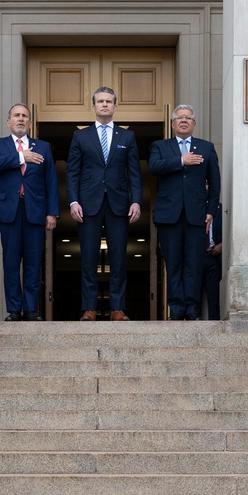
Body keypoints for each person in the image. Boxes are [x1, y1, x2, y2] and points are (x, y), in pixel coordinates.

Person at [66, 87, 142, 321]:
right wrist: (73, 201)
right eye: (100, 101)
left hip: (118, 204)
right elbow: (72, 172)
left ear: (115, 106)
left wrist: (136, 201)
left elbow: (134, 172)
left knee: (118, 258)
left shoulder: (127, 136)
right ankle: (89, 308)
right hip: (87, 204)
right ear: (94, 106)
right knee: (88, 258)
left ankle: (117, 309)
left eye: (109, 101)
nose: (105, 104)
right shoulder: (81, 136)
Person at [0, 103, 59, 321]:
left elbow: (51, 181)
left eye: (24, 116)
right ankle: (14, 310)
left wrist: (52, 213)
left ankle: (30, 310)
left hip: (35, 211)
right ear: (8, 122)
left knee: (33, 262)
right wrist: (21, 157)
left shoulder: (43, 147)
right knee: (11, 263)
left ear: (29, 122)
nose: (20, 119)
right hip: (8, 211)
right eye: (16, 115)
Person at [148, 105, 221, 320]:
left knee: (194, 264)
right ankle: (177, 309)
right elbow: (153, 167)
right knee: (173, 264)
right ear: (172, 124)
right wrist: (181, 161)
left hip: (196, 215)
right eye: (179, 118)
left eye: (188, 118)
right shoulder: (160, 146)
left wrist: (211, 211)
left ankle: (192, 309)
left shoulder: (206, 147)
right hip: (169, 215)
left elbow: (215, 184)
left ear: (194, 124)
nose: (183, 120)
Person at [202, 201, 223, 320]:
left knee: (214, 296)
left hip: (213, 258)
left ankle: (215, 323)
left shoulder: (220, 208)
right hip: (196, 259)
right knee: (193, 296)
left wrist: (223, 245)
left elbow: (230, 229)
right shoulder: (193, 206)